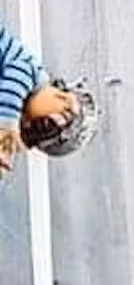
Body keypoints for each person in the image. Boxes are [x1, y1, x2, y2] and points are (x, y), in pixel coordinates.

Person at [0, 22, 99, 173]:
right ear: (61, 96)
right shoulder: (32, 74)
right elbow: (15, 83)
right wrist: (7, 125)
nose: (24, 122)